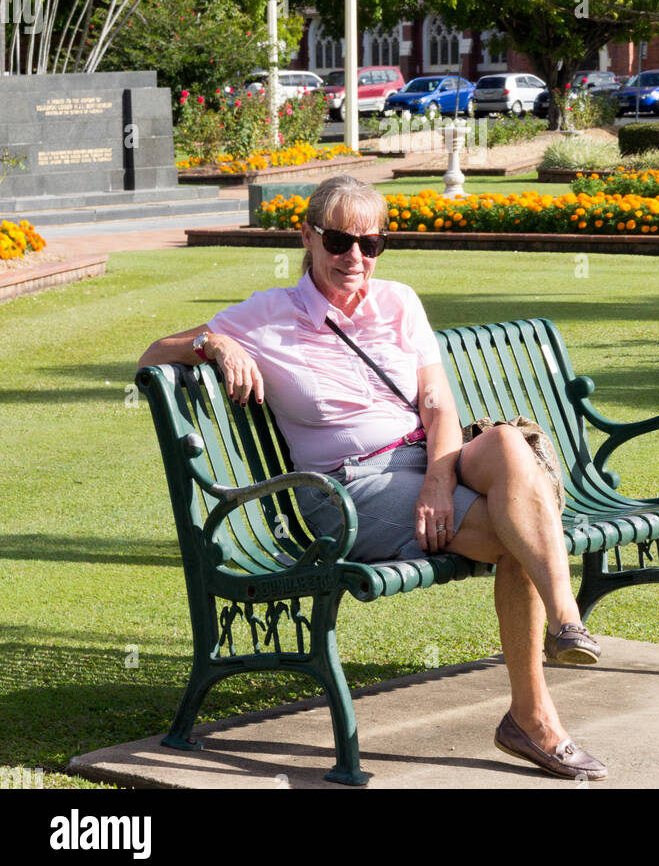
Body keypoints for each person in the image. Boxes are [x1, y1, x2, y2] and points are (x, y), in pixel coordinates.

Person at [138, 174, 606, 783]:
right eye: (337, 241)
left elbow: (438, 405)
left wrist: (439, 482)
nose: (354, 257)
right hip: (348, 490)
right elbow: (152, 355)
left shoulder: (399, 301)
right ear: (307, 238)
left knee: (512, 449)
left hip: (429, 459)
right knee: (521, 529)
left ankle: (566, 623)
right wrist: (215, 343)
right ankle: (534, 717)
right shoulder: (267, 316)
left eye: (371, 243)